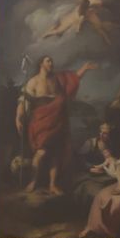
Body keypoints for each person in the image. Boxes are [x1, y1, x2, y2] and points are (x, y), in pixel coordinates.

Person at [17, 55, 96, 195]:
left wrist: (84, 68)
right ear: (41, 63)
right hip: (41, 121)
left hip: (58, 121)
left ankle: (52, 185)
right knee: (41, 152)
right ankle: (33, 182)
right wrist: (18, 117)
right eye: (48, 61)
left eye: (52, 61)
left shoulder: (57, 79)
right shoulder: (33, 82)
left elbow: (72, 79)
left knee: (55, 154)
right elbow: (24, 101)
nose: (51, 63)